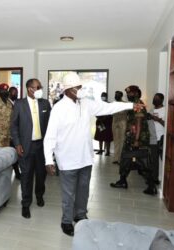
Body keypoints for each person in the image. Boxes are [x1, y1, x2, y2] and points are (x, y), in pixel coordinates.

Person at [43, 73, 144, 236]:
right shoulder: (58, 109)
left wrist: (130, 106)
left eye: (79, 87)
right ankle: (66, 221)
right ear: (67, 90)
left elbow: (108, 107)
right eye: (76, 88)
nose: (79, 90)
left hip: (85, 158)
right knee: (68, 194)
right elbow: (50, 137)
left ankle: (80, 216)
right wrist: (48, 160)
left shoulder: (86, 104)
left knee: (83, 190)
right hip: (67, 159)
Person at [10, 78, 51, 219]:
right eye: (37, 87)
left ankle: (39, 195)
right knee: (26, 176)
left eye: (40, 86)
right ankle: (25, 204)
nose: (40, 89)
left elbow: (50, 126)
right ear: (30, 89)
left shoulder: (45, 103)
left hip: (42, 146)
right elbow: (14, 126)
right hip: (26, 146)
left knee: (41, 175)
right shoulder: (19, 104)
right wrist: (17, 144)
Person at [110, 85, 150, 190]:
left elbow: (139, 122)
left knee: (141, 161)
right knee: (127, 159)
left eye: (130, 93)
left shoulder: (138, 104)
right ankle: (123, 180)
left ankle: (151, 185)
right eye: (127, 93)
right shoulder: (133, 104)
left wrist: (136, 140)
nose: (128, 95)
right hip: (133, 136)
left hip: (138, 138)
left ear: (136, 93)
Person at [150, 93, 165, 184]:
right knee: (154, 160)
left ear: (161, 100)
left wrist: (158, 119)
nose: (154, 99)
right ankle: (154, 178)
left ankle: (164, 179)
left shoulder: (165, 110)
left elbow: (167, 125)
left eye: (156, 98)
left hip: (162, 138)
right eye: (154, 98)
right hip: (153, 138)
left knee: (163, 159)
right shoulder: (151, 110)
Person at [8, 86, 21, 180]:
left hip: (19, 133)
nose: (15, 94)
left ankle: (18, 171)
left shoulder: (19, 103)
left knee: (18, 152)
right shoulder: (6, 103)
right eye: (13, 92)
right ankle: (16, 172)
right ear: (9, 93)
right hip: (8, 134)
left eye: (16, 92)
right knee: (12, 153)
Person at [112, 91, 127, 164]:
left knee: (122, 140)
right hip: (115, 122)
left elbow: (123, 112)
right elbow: (111, 112)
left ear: (120, 96)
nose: (116, 96)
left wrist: (115, 111)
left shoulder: (124, 103)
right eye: (115, 94)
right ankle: (115, 158)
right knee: (116, 140)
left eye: (117, 95)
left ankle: (120, 159)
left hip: (122, 122)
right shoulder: (113, 103)